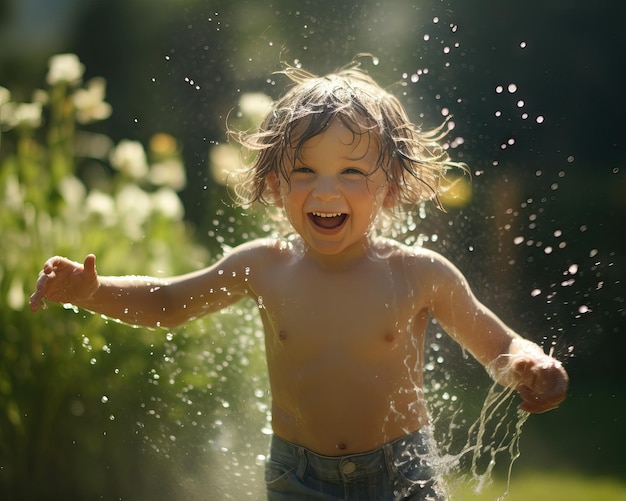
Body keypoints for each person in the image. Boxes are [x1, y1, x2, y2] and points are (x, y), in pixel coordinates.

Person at [30, 62, 568, 500]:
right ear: (273, 183)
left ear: (390, 188)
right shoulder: (263, 266)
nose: (325, 192)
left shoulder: (418, 274)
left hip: (402, 475)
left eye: (352, 173)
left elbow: (496, 344)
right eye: (304, 171)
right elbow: (170, 302)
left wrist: (529, 363)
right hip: (298, 479)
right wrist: (93, 291)